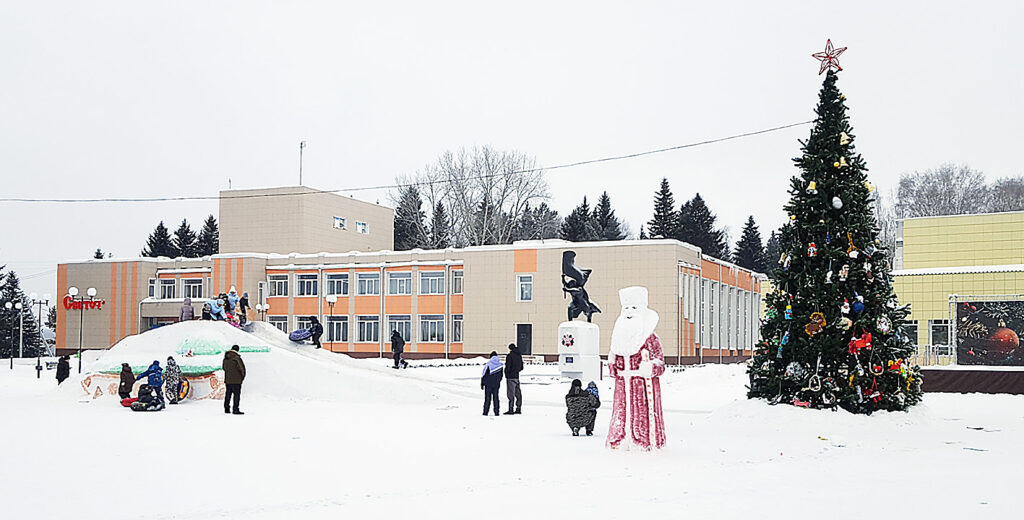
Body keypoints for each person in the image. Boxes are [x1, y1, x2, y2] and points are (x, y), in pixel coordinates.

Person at [607, 287, 666, 450]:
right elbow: (613, 358)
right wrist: (612, 365)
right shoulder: (618, 338)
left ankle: (643, 442)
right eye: (626, 308)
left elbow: (660, 363)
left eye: (634, 307)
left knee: (641, 416)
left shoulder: (650, 337)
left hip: (641, 388)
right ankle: (619, 440)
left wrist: (651, 367)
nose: (629, 312)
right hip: (622, 387)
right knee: (621, 413)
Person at [222, 345, 246, 415]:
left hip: (228, 380)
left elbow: (224, 368)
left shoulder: (226, 358)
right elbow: (242, 369)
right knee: (236, 395)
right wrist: (241, 378)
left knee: (228, 394)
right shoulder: (236, 358)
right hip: (237, 380)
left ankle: (226, 408)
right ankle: (235, 409)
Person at [480, 351, 503, 416]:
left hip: (488, 384)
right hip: (496, 384)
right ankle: (496, 412)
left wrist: (482, 383)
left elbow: (484, 375)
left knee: (487, 398)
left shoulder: (488, 364)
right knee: (496, 398)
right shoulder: (500, 365)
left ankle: (485, 412)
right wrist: (498, 381)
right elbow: (501, 376)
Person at [503, 343, 523, 415]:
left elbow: (508, 366)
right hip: (517, 376)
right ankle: (518, 408)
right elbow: (521, 367)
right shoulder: (519, 355)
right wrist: (516, 371)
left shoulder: (509, 356)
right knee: (518, 394)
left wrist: (506, 373)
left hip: (510, 377)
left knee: (510, 394)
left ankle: (510, 409)